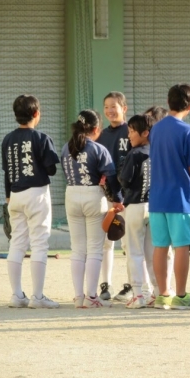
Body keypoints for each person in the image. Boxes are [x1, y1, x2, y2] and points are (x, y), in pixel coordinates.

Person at [149, 84, 190, 310]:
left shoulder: (156, 129)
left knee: (160, 246)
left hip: (157, 198)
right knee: (182, 246)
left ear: (168, 101)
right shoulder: (188, 131)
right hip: (180, 197)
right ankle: (182, 296)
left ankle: (162, 295)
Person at [2, 95, 60, 309]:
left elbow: (7, 172)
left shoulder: (7, 139)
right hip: (37, 193)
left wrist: (8, 196)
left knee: (17, 242)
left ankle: (17, 295)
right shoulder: (41, 137)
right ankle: (37, 297)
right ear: (36, 114)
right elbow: (51, 169)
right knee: (39, 243)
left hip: (15, 195)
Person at [61, 110, 124, 308]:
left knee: (77, 249)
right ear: (96, 129)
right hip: (93, 196)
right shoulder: (98, 149)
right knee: (95, 249)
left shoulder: (66, 148)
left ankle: (79, 296)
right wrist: (117, 199)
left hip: (71, 194)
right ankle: (91, 297)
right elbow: (111, 176)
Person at [118, 114, 156, 309]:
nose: (129, 134)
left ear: (145, 133)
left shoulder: (134, 154)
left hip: (134, 206)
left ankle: (138, 293)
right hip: (153, 207)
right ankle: (157, 292)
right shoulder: (156, 152)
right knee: (151, 253)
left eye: (133, 131)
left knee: (134, 252)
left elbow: (125, 180)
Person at [96, 91, 132, 302]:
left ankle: (131, 285)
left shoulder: (131, 131)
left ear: (124, 108)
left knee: (129, 242)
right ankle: (105, 285)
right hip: (107, 195)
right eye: (106, 106)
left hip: (128, 197)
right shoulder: (102, 135)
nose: (110, 110)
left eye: (114, 106)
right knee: (106, 242)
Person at [144, 105, 175, 295]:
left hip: (163, 200)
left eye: (150, 121)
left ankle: (165, 288)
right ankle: (152, 288)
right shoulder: (141, 148)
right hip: (147, 202)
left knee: (165, 247)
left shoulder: (164, 146)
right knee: (151, 249)